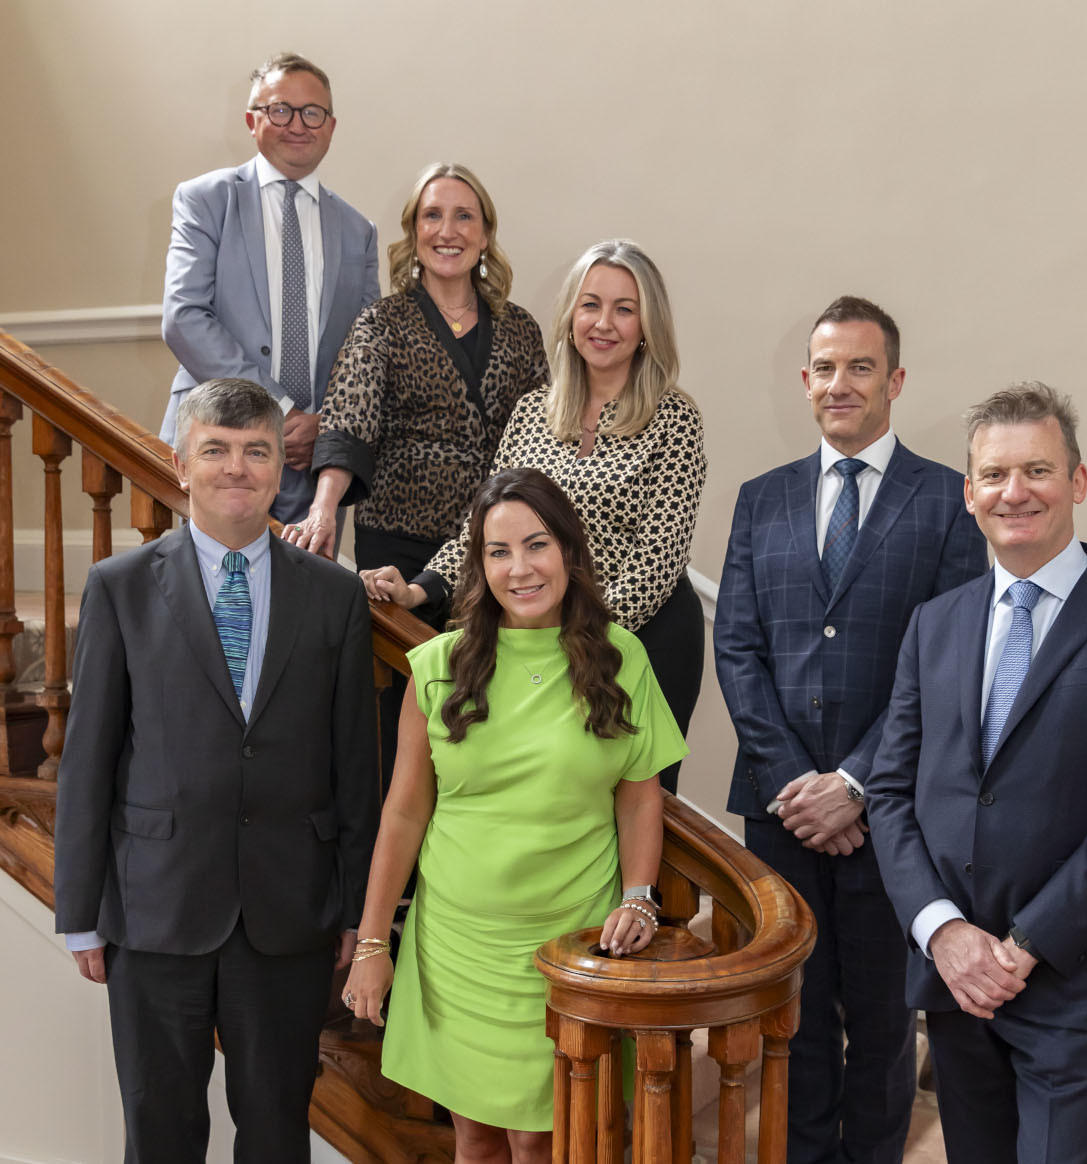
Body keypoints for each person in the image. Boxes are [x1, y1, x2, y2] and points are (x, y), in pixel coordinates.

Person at [866, 382, 1087, 1164]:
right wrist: (943, 933)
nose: (1014, 492)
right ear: (970, 493)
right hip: (956, 983)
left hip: (1075, 981)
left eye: (1038, 471)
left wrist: (1019, 950)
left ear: (1077, 482)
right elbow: (890, 793)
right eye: (993, 475)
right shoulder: (935, 623)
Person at [53, 378, 379, 1163]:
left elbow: (356, 765)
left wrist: (356, 909)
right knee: (160, 1130)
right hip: (153, 907)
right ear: (180, 464)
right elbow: (89, 758)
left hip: (290, 909)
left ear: (279, 469)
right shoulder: (119, 588)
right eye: (217, 451)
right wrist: (79, 910)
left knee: (274, 1132)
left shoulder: (334, 597)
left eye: (256, 451)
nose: (238, 467)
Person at [342, 467, 685, 1162]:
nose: (519, 568)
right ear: (479, 565)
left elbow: (639, 793)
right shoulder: (436, 666)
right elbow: (404, 815)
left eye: (536, 546)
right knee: (473, 1135)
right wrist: (374, 944)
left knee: (542, 1137)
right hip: (456, 948)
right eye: (498, 552)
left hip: (566, 948)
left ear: (568, 552)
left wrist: (641, 900)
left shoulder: (623, 660)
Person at [714, 296, 988, 1163]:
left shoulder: (948, 502)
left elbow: (946, 664)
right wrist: (800, 783)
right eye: (826, 368)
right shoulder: (762, 501)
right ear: (805, 382)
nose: (842, 384)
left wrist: (857, 784)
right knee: (790, 1017)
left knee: (879, 1024)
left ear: (895, 380)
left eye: (861, 367)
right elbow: (737, 646)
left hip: (891, 810)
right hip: (780, 807)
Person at [359, 240, 705, 792]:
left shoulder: (675, 418)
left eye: (625, 308)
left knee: (637, 804)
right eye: (591, 304)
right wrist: (419, 591)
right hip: (542, 635)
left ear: (648, 324)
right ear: (570, 316)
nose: (604, 323)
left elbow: (657, 562)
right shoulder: (532, 412)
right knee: (553, 796)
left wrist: (572, 634)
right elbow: (488, 530)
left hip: (640, 639)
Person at [285, 161, 547, 567]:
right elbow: (347, 424)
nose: (447, 231)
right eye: (432, 216)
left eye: (464, 216)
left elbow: (540, 442)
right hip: (397, 545)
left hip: (494, 544)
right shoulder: (381, 323)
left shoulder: (521, 329)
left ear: (486, 235)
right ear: (414, 231)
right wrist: (322, 507)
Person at [159, 52, 380, 526]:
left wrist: (325, 423)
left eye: (312, 112)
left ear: (331, 125)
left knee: (304, 596)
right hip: (218, 444)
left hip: (312, 457)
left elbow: (366, 353)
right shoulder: (205, 200)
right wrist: (277, 414)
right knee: (211, 593)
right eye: (280, 110)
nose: (297, 124)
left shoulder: (358, 230)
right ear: (251, 120)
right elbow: (184, 316)